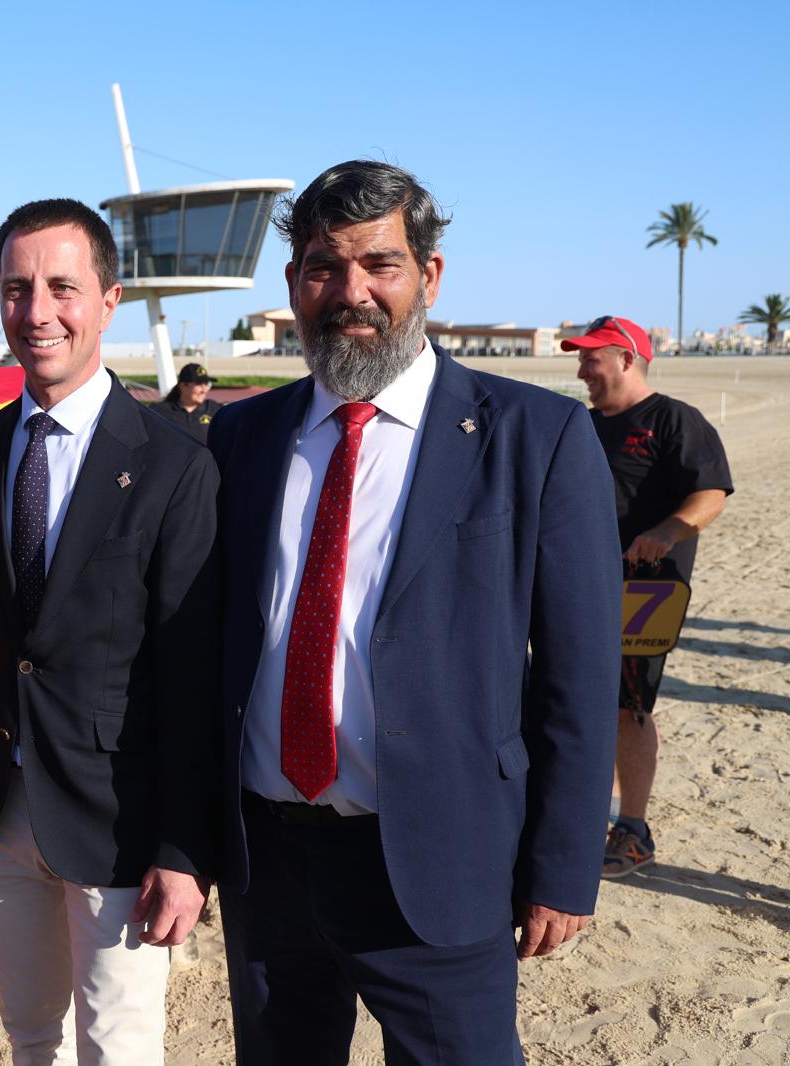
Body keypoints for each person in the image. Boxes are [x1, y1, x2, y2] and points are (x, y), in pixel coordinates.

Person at [207, 160, 622, 1064]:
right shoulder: (242, 436)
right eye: (324, 267)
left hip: (443, 860)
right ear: (295, 282)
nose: (350, 293)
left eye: (379, 264)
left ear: (429, 275)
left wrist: (562, 866)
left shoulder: (537, 436)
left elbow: (581, 676)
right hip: (267, 863)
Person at [0, 198, 221, 1065]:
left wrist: (183, 848)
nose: (37, 312)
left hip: (119, 816)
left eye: (62, 287)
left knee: (117, 1048)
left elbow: (193, 673)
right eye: (16, 289)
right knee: (30, 1036)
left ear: (109, 300)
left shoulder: (175, 462)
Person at [564, 316, 732, 878]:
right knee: (572, 701)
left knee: (627, 707)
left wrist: (666, 532)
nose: (582, 370)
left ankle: (633, 830)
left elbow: (711, 494)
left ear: (626, 359)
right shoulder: (583, 426)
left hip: (646, 592)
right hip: (580, 586)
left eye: (591, 358)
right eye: (580, 359)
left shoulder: (673, 419)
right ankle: (579, 817)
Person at [151, 362, 224, 444]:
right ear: (182, 386)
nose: (204, 390)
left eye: (206, 384)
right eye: (199, 384)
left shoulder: (216, 410)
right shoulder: (159, 412)